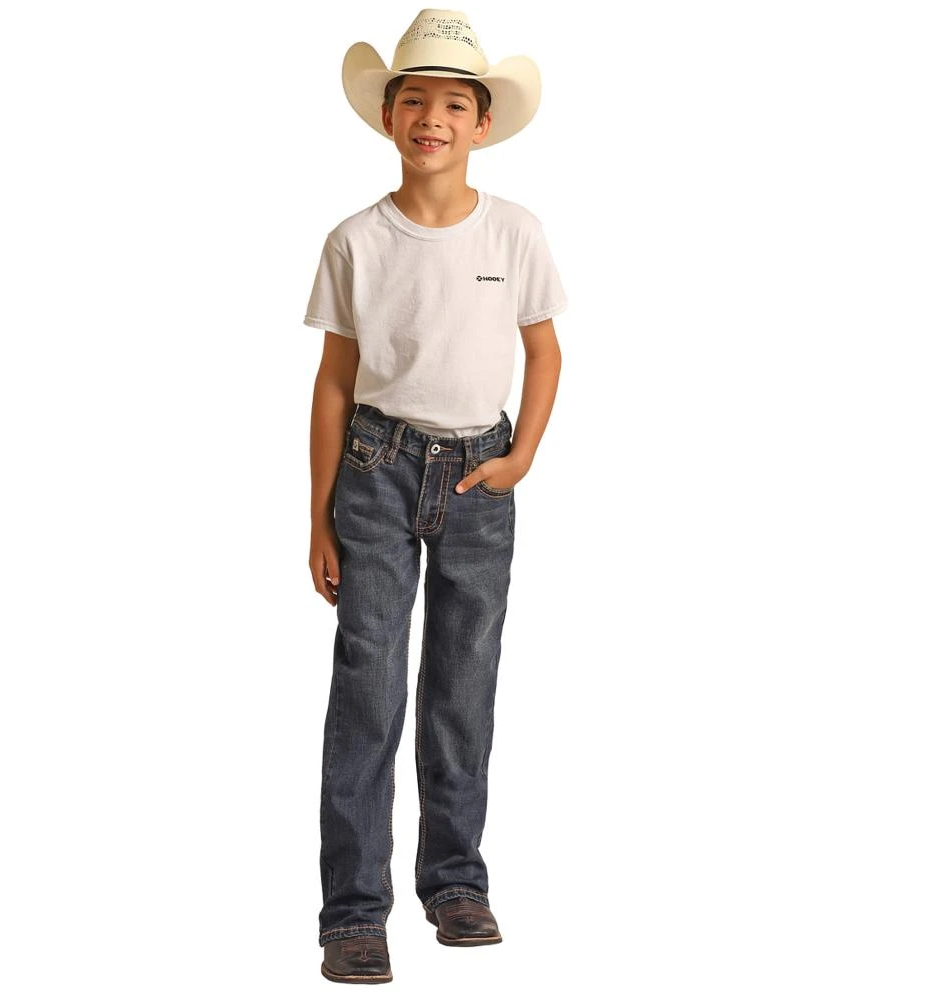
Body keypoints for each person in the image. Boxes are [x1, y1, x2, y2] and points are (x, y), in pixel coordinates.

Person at [304, 8, 567, 985]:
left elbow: (543, 350)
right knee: (368, 689)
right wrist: (318, 513)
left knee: (462, 686)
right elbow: (334, 382)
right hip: (375, 470)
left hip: (480, 475)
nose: (432, 120)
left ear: (482, 124)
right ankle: (352, 911)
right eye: (414, 101)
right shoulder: (355, 240)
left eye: (454, 105)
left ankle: (455, 882)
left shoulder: (515, 231)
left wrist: (522, 455)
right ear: (387, 115)